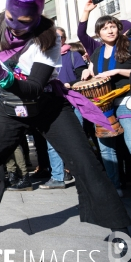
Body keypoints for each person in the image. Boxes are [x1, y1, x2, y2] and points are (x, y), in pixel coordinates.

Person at [0, 0, 131, 256]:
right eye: (11, 19)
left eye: (23, 22)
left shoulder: (49, 38)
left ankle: (121, 232)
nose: (15, 27)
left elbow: (33, 88)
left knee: (86, 164)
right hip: (8, 107)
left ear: (36, 17)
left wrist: (3, 78)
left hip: (46, 104)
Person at [79, 14, 131, 195]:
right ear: (99, 33)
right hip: (104, 104)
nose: (109, 31)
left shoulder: (130, 45)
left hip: (126, 99)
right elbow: (94, 72)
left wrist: (117, 70)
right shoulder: (97, 52)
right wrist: (88, 72)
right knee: (106, 149)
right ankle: (115, 186)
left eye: (112, 26)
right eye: (104, 28)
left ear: (118, 28)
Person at [41, 27, 88, 190]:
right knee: (52, 143)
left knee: (76, 141)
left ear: (64, 38)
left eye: (59, 36)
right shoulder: (45, 58)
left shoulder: (74, 56)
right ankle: (57, 177)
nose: (56, 39)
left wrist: (70, 85)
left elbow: (83, 78)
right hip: (52, 104)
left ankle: (82, 176)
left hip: (73, 103)